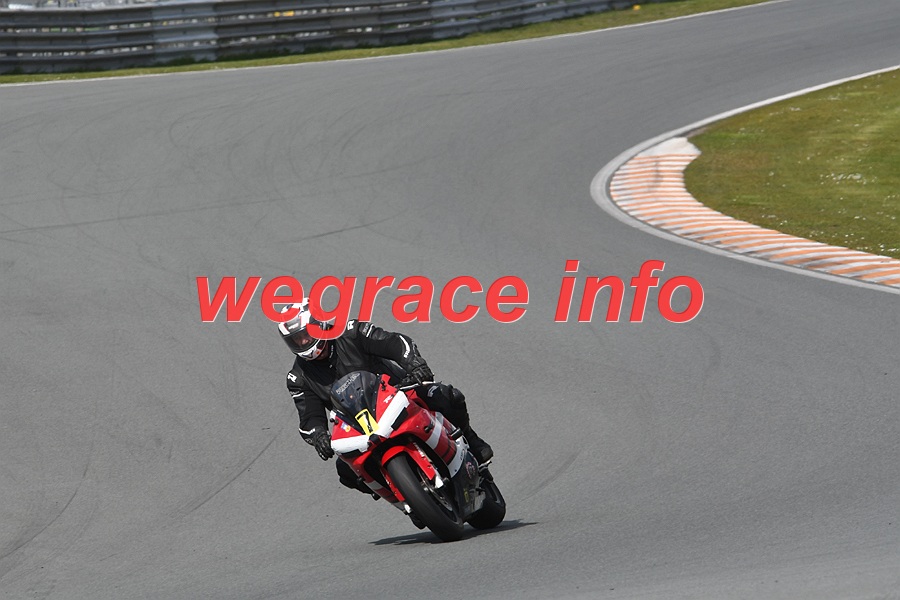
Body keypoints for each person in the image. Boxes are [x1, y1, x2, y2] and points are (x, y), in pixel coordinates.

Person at [279, 299, 493, 494]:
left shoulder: (352, 332)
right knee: (345, 471)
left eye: (306, 334)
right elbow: (309, 417)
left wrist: (415, 364)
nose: (304, 342)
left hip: (399, 393)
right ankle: (402, 496)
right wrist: (318, 435)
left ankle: (472, 441)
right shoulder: (298, 378)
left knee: (446, 396)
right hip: (358, 425)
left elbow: (395, 343)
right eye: (297, 340)